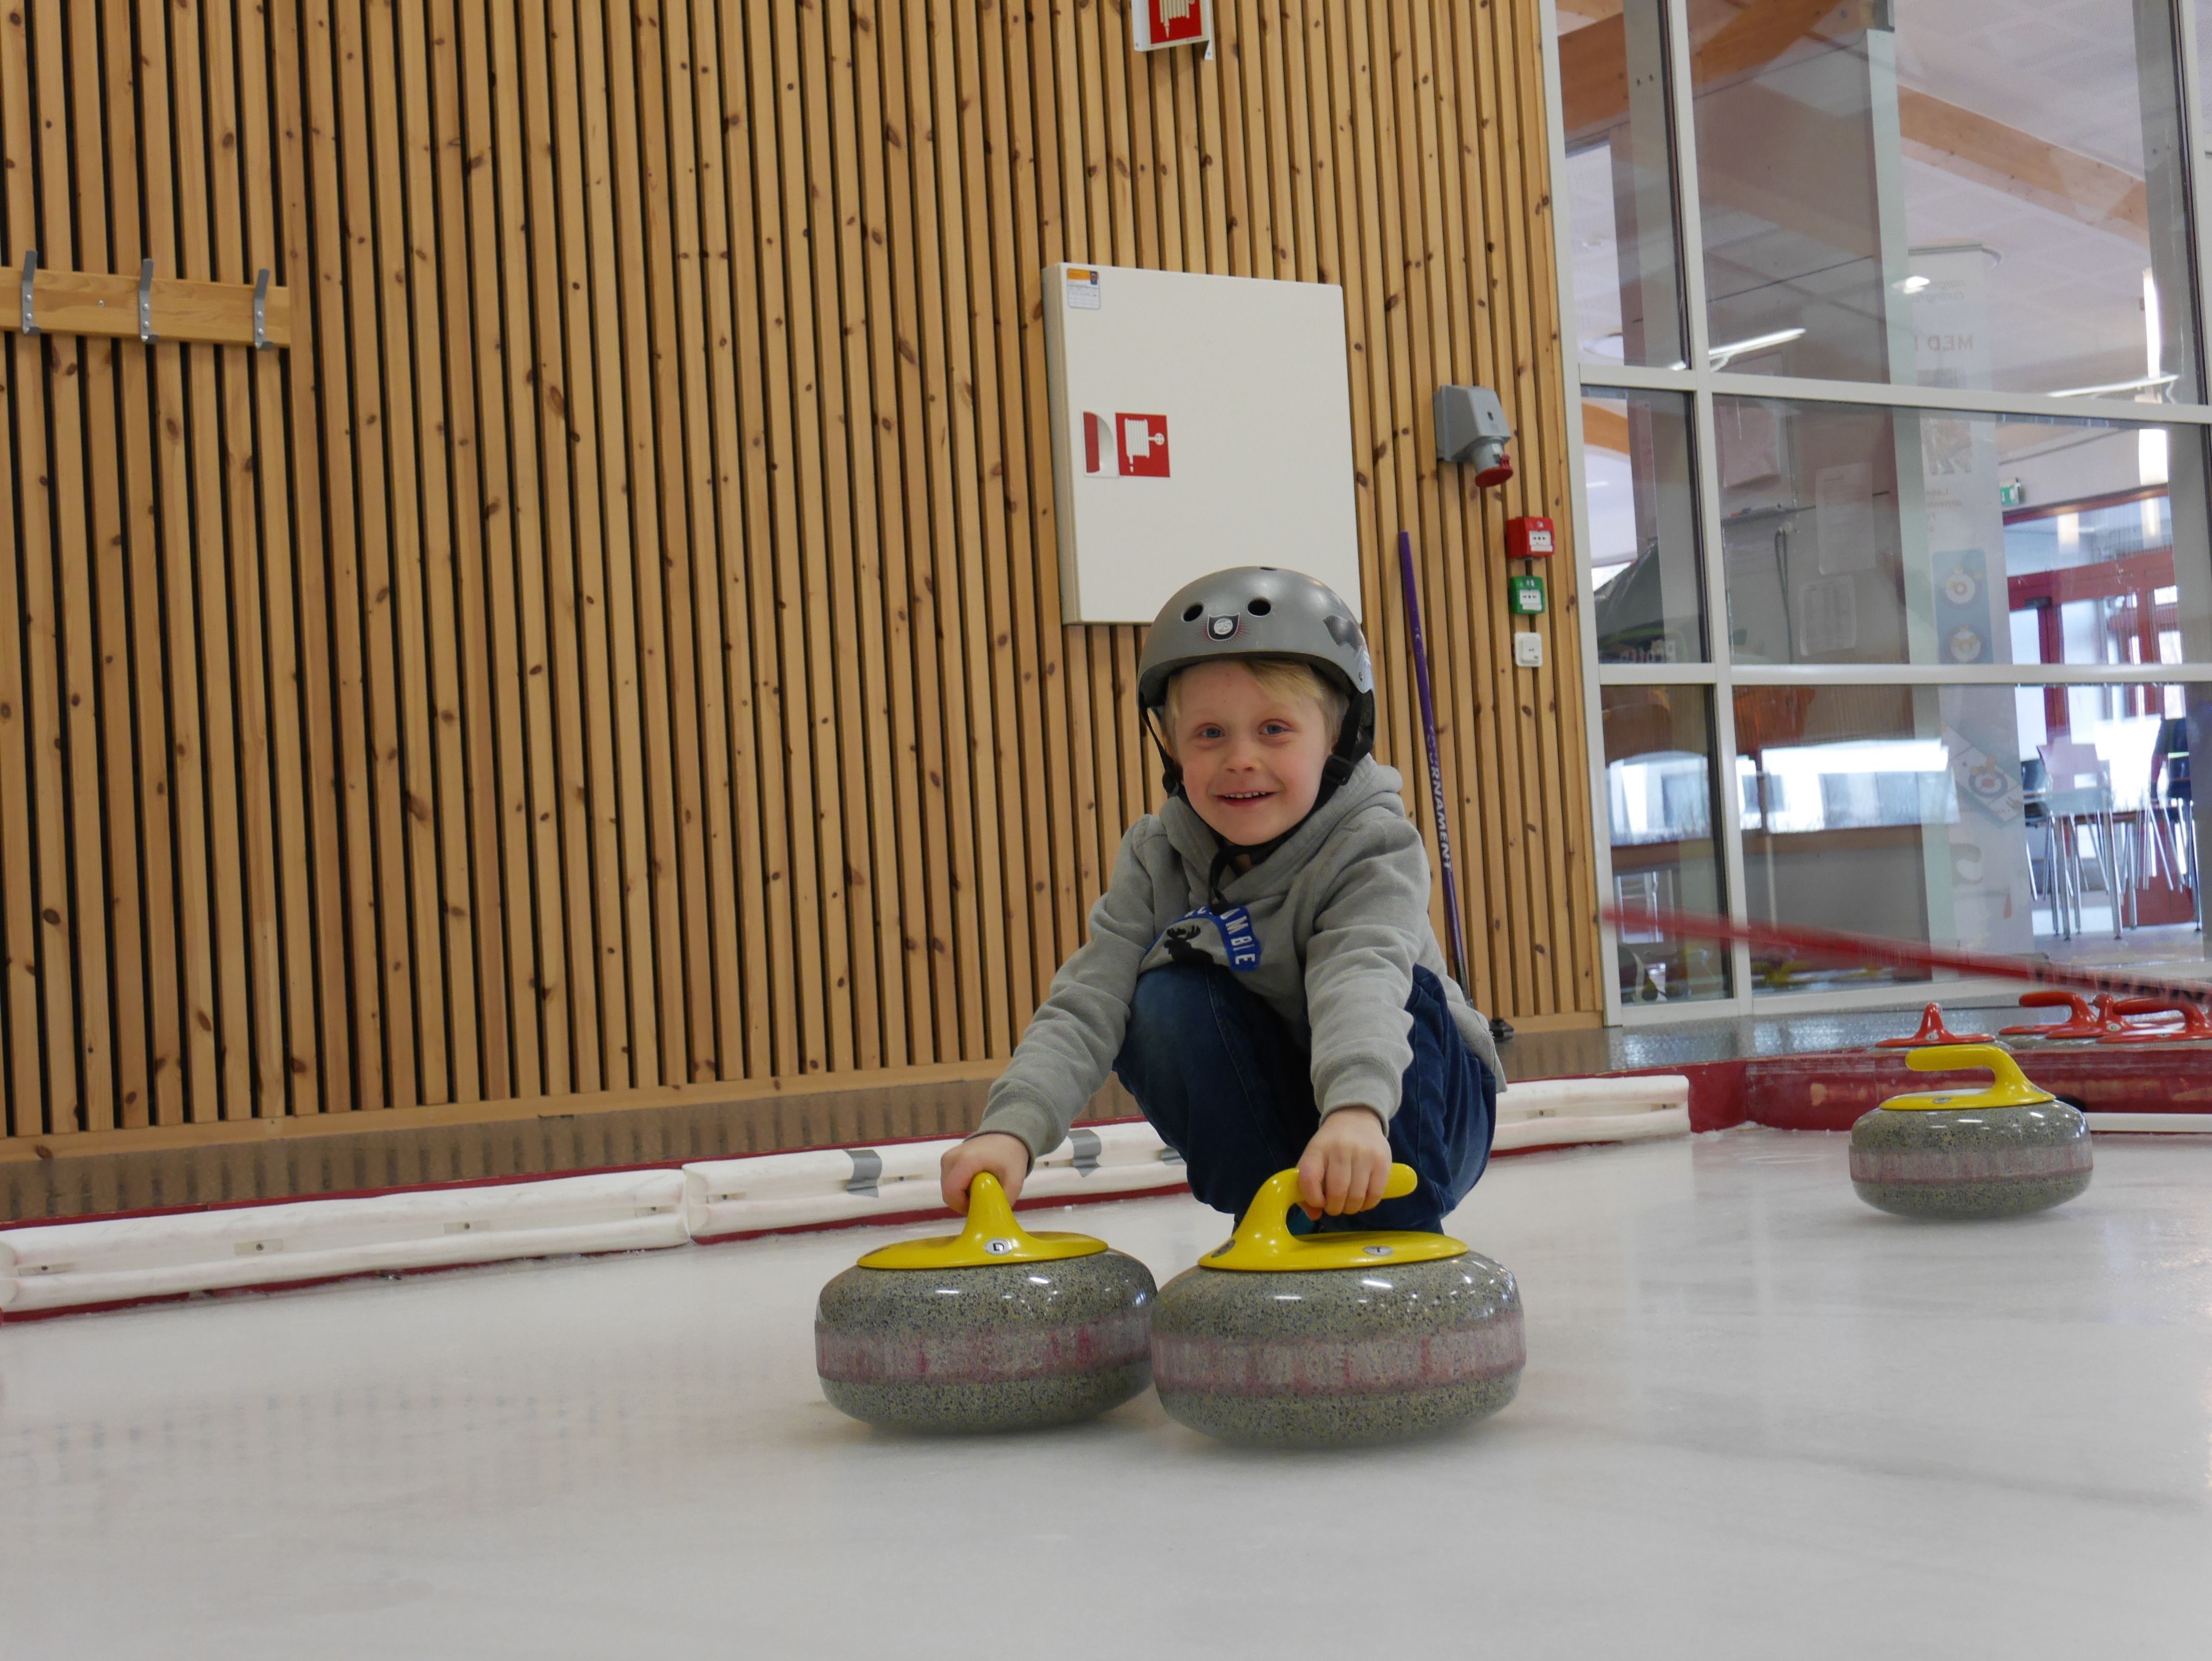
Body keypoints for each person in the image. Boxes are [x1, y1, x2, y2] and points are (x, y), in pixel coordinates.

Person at [939, 566, 1503, 1233]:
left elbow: (1362, 977)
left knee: (1400, 988)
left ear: (1339, 740)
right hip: (1295, 1104)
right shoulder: (1159, 855)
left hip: (1417, 1106)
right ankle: (1276, 1224)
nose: (1240, 759)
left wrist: (1356, 1110)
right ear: (1173, 749)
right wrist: (1011, 1129)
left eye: (1274, 730)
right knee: (1159, 1000)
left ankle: (1393, 1233)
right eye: (1210, 734)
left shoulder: (1373, 844)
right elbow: (1089, 999)